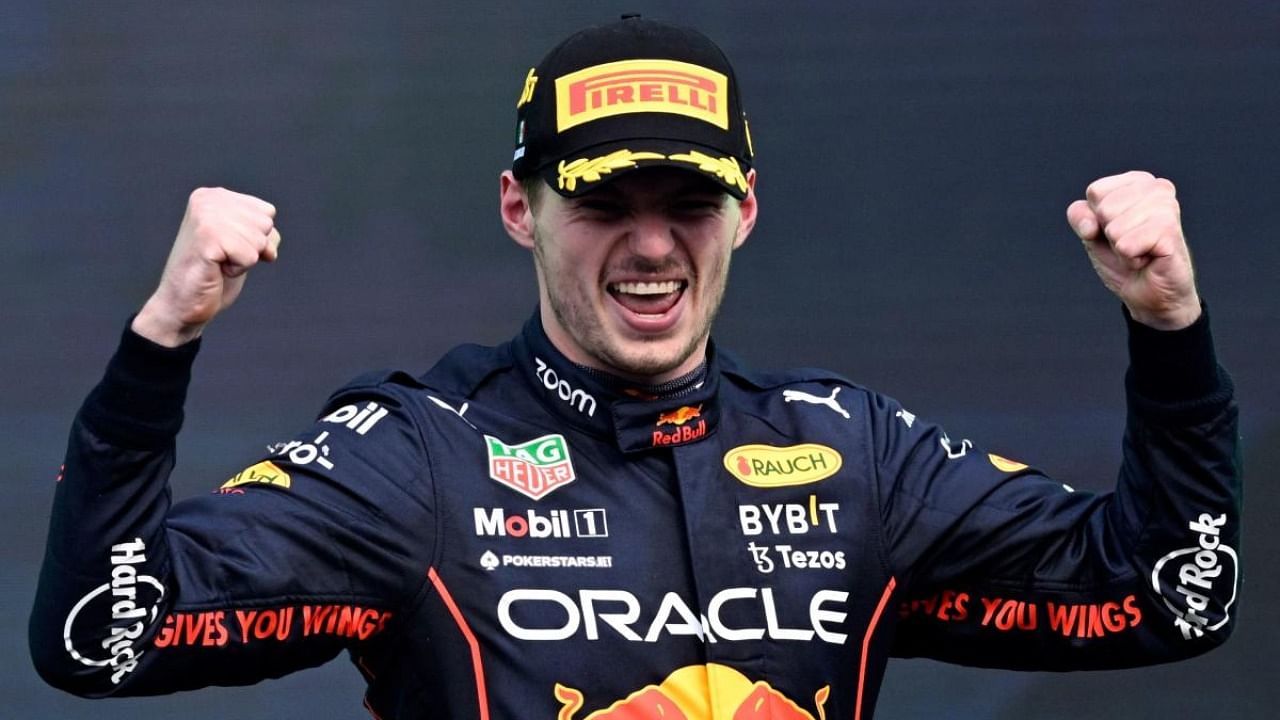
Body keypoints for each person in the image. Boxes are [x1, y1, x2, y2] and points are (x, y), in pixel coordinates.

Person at [30, 15, 1240, 720]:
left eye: (690, 201)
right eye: (607, 200)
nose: (653, 242)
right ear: (519, 208)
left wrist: (1168, 328)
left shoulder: (861, 453)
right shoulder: (419, 457)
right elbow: (101, 637)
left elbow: (1171, 598)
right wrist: (161, 345)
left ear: (748, 211)